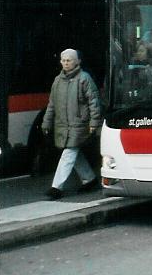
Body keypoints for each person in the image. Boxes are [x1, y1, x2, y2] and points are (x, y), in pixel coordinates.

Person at [42, 49, 102, 199]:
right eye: (63, 60)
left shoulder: (84, 78)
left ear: (77, 61)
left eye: (69, 60)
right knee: (74, 153)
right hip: (64, 124)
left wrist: (94, 122)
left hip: (79, 124)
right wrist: (46, 123)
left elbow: (93, 102)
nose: (65, 63)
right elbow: (52, 105)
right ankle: (90, 179)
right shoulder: (58, 81)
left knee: (68, 153)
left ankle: (56, 187)